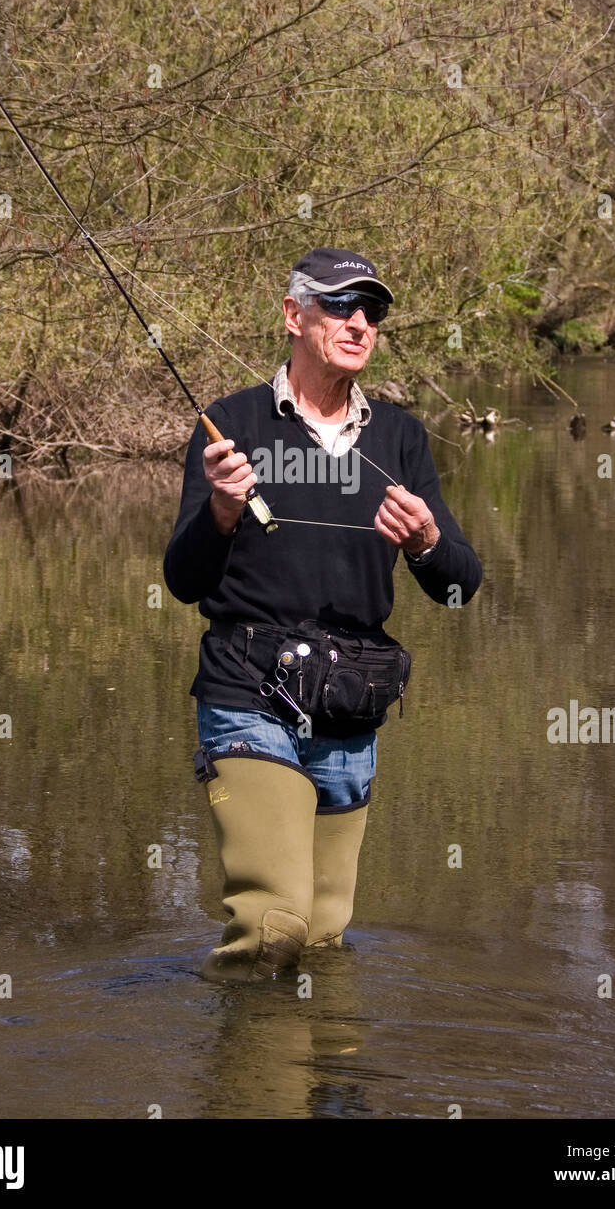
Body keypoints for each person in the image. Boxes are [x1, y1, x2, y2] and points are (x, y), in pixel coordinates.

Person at [163, 247, 482, 981]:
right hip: (247, 695)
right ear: (292, 315)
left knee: (324, 943)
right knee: (272, 923)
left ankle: (330, 1091)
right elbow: (183, 581)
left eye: (372, 310)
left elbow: (462, 584)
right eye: (340, 305)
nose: (359, 322)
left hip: (350, 705)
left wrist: (430, 542)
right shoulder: (228, 426)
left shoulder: (401, 438)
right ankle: (249, 1089)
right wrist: (220, 508)